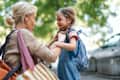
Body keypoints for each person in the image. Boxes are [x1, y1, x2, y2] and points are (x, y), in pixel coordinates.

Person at [3, 1, 61, 72]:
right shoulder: (24, 33)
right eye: (34, 18)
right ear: (26, 18)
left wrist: (53, 41)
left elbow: (39, 51)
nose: (34, 22)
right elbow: (52, 57)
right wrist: (61, 41)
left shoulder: (14, 33)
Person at [50, 7, 81, 80]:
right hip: (62, 65)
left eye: (60, 19)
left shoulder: (72, 32)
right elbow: (50, 47)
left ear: (69, 20)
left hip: (70, 67)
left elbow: (73, 46)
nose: (57, 22)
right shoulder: (61, 33)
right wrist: (53, 40)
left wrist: (58, 43)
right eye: (57, 20)